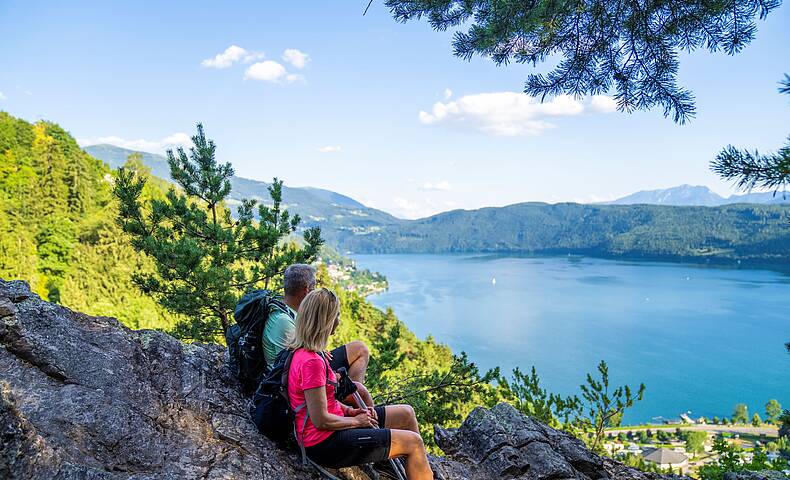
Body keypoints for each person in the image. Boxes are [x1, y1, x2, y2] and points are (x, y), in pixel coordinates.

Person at [287, 288, 433, 479]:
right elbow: (320, 420)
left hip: (334, 428)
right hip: (325, 444)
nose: (339, 320)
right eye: (336, 315)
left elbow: (321, 400)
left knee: (406, 413)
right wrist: (357, 421)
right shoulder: (311, 362)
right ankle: (414, 466)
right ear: (326, 321)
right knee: (413, 442)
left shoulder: (311, 353)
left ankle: (403, 468)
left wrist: (350, 411)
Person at [263, 263, 374, 406]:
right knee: (359, 388)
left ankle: (349, 396)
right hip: (290, 383)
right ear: (307, 290)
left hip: (307, 364)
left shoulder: (286, 309)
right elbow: (293, 366)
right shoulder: (283, 322)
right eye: (314, 287)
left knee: (360, 349)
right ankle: (348, 401)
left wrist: (319, 352)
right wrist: (327, 369)